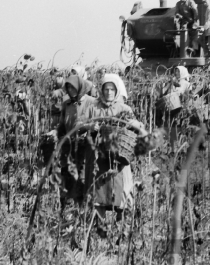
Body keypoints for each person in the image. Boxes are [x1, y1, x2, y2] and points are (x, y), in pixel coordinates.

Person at [87, 74, 146, 224]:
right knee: (100, 189)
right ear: (101, 90)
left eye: (112, 89)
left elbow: (137, 127)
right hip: (100, 155)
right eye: (106, 89)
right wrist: (91, 127)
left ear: (117, 91)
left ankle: (123, 224)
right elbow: (83, 127)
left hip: (120, 156)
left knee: (123, 187)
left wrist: (134, 124)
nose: (108, 92)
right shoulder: (94, 108)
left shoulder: (124, 108)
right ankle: (100, 224)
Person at [54, 74, 96, 206]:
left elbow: (95, 123)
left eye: (73, 88)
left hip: (86, 143)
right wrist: (55, 132)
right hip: (69, 143)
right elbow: (61, 124)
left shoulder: (92, 102)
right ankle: (70, 202)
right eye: (68, 88)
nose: (71, 91)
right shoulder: (67, 103)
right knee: (68, 172)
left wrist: (86, 129)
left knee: (84, 173)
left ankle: (84, 204)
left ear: (80, 87)